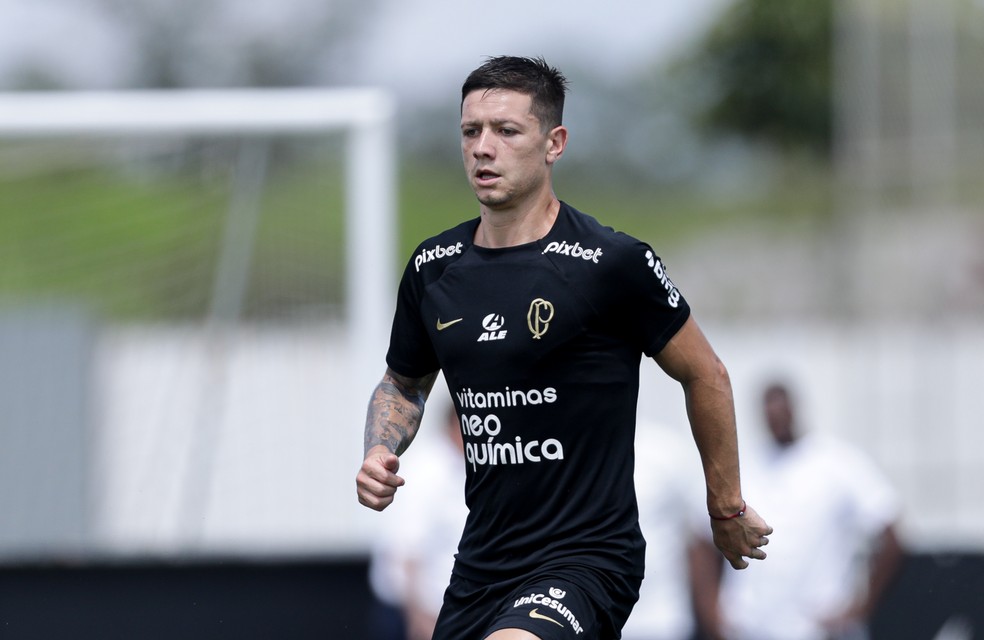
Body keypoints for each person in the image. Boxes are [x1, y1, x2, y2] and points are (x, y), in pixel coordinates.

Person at [355, 55, 772, 640]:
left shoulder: (612, 262)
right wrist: (378, 450)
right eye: (471, 131)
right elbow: (403, 383)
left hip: (589, 558)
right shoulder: (433, 268)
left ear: (554, 143)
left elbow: (707, 374)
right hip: (483, 564)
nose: (482, 148)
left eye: (506, 131)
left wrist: (724, 505)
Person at [689, 380, 904, 640]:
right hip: (749, 627)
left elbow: (891, 535)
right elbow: (701, 540)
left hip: (817, 629)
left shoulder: (838, 462)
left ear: (794, 409)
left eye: (781, 408)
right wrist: (711, 612)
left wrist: (859, 609)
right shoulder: (743, 466)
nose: (776, 418)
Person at [367, 401, 468, 640]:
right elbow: (405, 553)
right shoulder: (429, 470)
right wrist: (419, 620)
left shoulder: (460, 468)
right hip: (414, 616)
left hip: (447, 615)